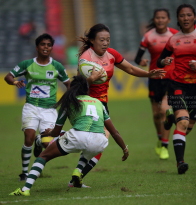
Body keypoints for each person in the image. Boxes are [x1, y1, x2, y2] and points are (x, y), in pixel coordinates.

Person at [66, 23, 166, 187]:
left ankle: (77, 175)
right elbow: (77, 85)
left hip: (102, 103)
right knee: (98, 141)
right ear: (92, 40)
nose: (106, 43)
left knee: (95, 141)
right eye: (102, 40)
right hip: (88, 103)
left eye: (108, 40)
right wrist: (90, 79)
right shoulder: (85, 59)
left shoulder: (112, 54)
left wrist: (149, 74)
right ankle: (75, 174)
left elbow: (131, 70)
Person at [9, 75, 129, 196]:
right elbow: (114, 132)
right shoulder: (99, 103)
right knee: (87, 148)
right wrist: (124, 149)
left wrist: (49, 132)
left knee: (43, 156)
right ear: (87, 89)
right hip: (99, 141)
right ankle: (77, 176)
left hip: (78, 137)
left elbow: (55, 133)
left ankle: (25, 190)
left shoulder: (69, 101)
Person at [4, 33, 70, 181]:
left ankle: (39, 141)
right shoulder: (27, 64)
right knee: (28, 137)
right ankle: (24, 172)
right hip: (31, 107)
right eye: (43, 44)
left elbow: (69, 84)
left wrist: (68, 98)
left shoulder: (57, 66)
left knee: (49, 144)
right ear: (37, 47)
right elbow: (8, 76)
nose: (46, 47)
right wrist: (14, 82)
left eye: (48, 45)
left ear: (52, 48)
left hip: (50, 109)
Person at [157, 4, 196, 174]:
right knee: (183, 122)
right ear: (178, 18)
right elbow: (160, 59)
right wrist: (164, 62)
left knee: (186, 128)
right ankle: (180, 162)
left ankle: (170, 119)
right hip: (177, 84)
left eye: (189, 15)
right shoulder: (173, 39)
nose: (186, 18)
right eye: (182, 16)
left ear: (194, 17)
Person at [134, 9, 178, 160]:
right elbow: (137, 58)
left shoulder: (175, 34)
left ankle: (165, 146)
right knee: (156, 114)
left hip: (171, 78)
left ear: (168, 20)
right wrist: (141, 61)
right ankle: (160, 139)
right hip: (154, 78)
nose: (160, 20)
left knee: (166, 110)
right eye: (157, 18)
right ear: (154, 20)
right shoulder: (148, 36)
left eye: (163, 17)